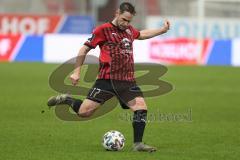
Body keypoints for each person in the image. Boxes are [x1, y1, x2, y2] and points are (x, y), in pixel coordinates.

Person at [48, 2, 170, 152]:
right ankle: (67, 99)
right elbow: (84, 49)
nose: (126, 24)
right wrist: (76, 72)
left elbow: (142, 34)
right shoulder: (102, 30)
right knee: (84, 113)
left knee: (141, 107)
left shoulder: (130, 31)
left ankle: (138, 144)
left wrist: (162, 30)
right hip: (106, 80)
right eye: (124, 19)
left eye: (129, 21)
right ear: (117, 13)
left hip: (127, 81)